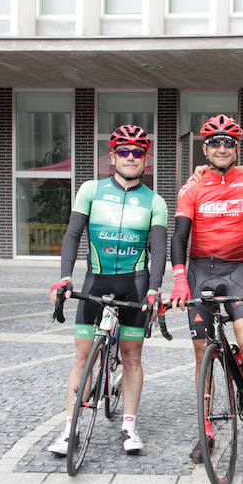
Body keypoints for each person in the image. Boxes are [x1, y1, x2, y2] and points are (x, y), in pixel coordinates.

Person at [169, 114, 243, 462]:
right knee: (200, 352)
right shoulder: (192, 187)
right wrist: (178, 279)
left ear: (236, 148)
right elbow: (179, 236)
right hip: (197, 273)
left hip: (233, 271)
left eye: (229, 143)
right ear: (205, 148)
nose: (221, 148)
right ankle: (205, 431)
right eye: (215, 143)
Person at [48, 124, 167, 456]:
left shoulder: (155, 201)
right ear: (112, 156)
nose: (131, 158)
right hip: (95, 282)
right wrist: (64, 278)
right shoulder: (91, 190)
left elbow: (158, 251)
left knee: (131, 356)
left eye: (138, 152)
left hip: (134, 285)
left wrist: (155, 290)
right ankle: (69, 430)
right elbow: (72, 235)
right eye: (124, 152)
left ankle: (129, 426)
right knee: (82, 355)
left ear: (146, 159)